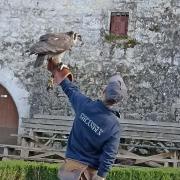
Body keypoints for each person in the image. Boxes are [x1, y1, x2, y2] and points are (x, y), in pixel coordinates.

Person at [51, 66, 127, 180]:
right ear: (117, 102)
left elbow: (70, 89)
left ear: (103, 91)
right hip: (89, 174)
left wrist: (57, 70)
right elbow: (109, 155)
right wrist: (101, 176)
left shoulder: (84, 105)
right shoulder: (114, 126)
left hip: (70, 170)